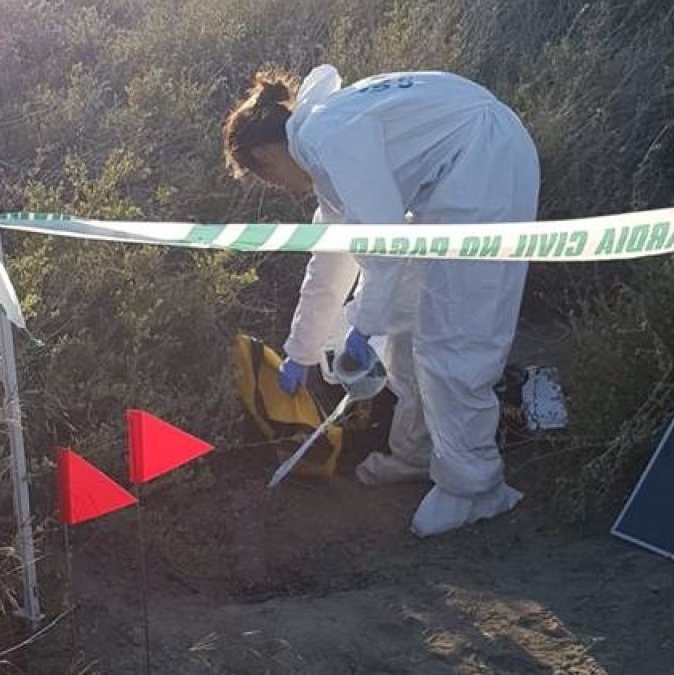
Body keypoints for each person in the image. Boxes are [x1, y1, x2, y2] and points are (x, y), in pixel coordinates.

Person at [222, 64, 539, 537]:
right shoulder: (323, 141)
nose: (278, 189)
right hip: (456, 170)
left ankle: (474, 487)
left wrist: (363, 328)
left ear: (266, 154)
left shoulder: (328, 137)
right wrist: (300, 352)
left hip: (483, 165)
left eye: (266, 178)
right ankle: (417, 453)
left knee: (454, 337)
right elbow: (330, 262)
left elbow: (384, 244)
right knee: (408, 324)